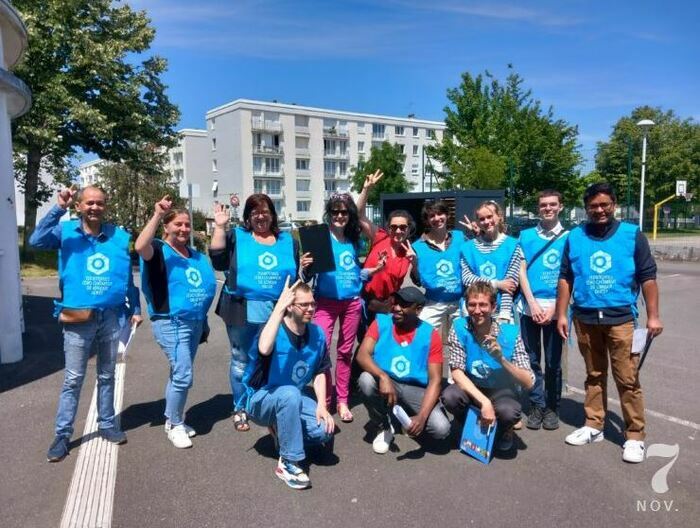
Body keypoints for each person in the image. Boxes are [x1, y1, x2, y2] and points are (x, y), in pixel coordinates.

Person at [30, 185, 142, 462]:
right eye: (89, 203)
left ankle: (106, 424)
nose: (94, 207)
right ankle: (62, 434)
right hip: (78, 316)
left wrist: (135, 308)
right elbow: (36, 240)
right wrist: (59, 207)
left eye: (100, 203)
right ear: (79, 206)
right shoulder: (65, 232)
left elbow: (125, 277)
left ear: (105, 206)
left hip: (111, 315)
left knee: (107, 375)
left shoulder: (118, 237)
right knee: (73, 378)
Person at [556, 182, 663, 464]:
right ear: (586, 208)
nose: (599, 210)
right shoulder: (574, 237)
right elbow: (565, 277)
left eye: (604, 204)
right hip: (585, 317)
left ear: (613, 204)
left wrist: (653, 315)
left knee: (627, 379)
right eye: (593, 206)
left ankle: (635, 436)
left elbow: (648, 277)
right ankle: (594, 425)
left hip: (621, 319)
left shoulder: (631, 235)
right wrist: (561, 314)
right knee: (594, 375)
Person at [209, 194, 311, 432]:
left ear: (272, 215)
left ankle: (268, 403)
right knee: (241, 361)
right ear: (248, 217)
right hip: (241, 310)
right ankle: (240, 406)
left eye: (265, 211)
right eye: (254, 212)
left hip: (277, 311)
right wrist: (220, 226)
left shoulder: (288, 241)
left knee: (273, 360)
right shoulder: (237, 237)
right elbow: (218, 260)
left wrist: (303, 268)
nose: (260, 216)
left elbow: (295, 278)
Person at [135, 196, 217, 448]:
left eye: (186, 224)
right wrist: (158, 213)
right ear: (167, 227)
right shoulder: (158, 250)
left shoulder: (195, 255)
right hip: (171, 322)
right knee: (183, 374)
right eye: (177, 224)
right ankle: (174, 424)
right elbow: (140, 246)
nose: (183, 229)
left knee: (178, 372)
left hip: (194, 322)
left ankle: (175, 417)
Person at [243, 280, 334, 490]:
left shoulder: (318, 334)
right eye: (304, 304)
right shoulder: (274, 330)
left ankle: (281, 429)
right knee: (290, 394)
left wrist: (322, 405)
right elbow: (264, 348)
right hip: (260, 400)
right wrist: (278, 308)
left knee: (324, 431)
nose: (310, 308)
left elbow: (320, 371)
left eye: (313, 303)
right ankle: (288, 462)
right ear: (290, 306)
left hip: (292, 398)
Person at [356, 287, 451, 454]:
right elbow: (362, 355)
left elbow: (436, 380)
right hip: (387, 381)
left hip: (415, 388)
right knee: (366, 380)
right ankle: (383, 425)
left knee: (441, 429)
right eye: (396, 303)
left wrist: (421, 417)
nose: (397, 308)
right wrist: (383, 376)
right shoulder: (381, 322)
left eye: (405, 305)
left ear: (418, 309)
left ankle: (404, 413)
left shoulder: (430, 334)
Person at [442, 283, 535, 452]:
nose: (477, 311)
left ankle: (504, 429)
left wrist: (501, 359)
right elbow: (457, 372)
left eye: (483, 305)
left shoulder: (510, 333)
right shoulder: (459, 327)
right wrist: (485, 403)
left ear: (494, 307)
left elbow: (528, 382)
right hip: (473, 388)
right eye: (472, 305)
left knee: (510, 412)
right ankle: (465, 421)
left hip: (501, 390)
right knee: (450, 396)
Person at [312, 192, 378, 423]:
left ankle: (342, 400)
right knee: (321, 350)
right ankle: (325, 400)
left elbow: (354, 271)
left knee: (344, 352)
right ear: (329, 214)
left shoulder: (353, 240)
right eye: (335, 212)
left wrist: (369, 273)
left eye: (344, 212)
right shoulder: (319, 237)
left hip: (351, 302)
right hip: (325, 302)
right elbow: (309, 272)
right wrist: (305, 266)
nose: (340, 216)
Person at [517, 190, 569, 431]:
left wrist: (558, 309)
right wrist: (533, 303)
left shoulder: (570, 237)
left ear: (560, 207)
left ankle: (552, 407)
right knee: (531, 359)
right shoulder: (526, 236)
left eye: (552, 204)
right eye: (543, 205)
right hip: (530, 306)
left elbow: (570, 275)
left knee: (554, 363)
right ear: (538, 208)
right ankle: (536, 404)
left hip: (556, 309)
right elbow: (521, 271)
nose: (548, 208)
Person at [356, 170, 417, 338]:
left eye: (402, 227)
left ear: (408, 229)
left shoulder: (409, 251)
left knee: (381, 343)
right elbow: (359, 215)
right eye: (394, 227)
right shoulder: (380, 237)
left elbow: (419, 279)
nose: (398, 230)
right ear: (388, 228)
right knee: (363, 343)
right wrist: (366, 189)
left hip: (386, 306)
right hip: (365, 301)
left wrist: (415, 262)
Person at [411, 199, 466, 377]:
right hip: (434, 301)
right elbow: (417, 280)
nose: (437, 218)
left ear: (447, 215)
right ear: (427, 220)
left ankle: (455, 383)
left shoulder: (460, 237)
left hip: (459, 301)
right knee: (423, 337)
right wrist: (413, 264)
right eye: (431, 215)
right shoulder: (418, 246)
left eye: (440, 213)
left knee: (459, 342)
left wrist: (477, 232)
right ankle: (424, 377)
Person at [460, 201, 522, 322]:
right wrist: (496, 284)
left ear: (499, 217)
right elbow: (467, 279)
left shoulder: (513, 245)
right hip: (474, 310)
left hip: (501, 310)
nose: (487, 222)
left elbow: (510, 285)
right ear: (477, 222)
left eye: (490, 216)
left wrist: (504, 314)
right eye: (482, 219)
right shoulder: (467, 248)